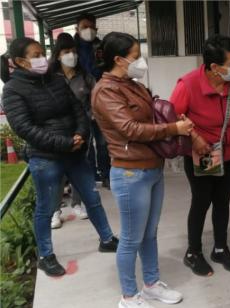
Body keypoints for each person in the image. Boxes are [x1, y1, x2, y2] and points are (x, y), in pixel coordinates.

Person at [1, 37, 118, 278]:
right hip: (46, 158)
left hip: (74, 152)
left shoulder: (56, 79)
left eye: (41, 53)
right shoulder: (12, 90)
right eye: (35, 55)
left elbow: (78, 109)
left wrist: (80, 134)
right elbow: (25, 128)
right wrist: (65, 143)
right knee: (46, 208)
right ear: (21, 62)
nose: (41, 58)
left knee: (92, 198)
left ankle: (107, 239)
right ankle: (46, 256)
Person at [92, 32, 193, 308]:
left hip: (152, 168)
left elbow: (150, 115)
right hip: (130, 174)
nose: (141, 61)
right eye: (136, 57)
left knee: (150, 233)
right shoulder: (106, 90)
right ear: (118, 59)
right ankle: (128, 296)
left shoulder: (132, 84)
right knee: (130, 239)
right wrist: (173, 129)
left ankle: (150, 284)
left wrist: (173, 119)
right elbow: (129, 129)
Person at [170, 34, 230, 277]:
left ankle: (220, 248)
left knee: (223, 201)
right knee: (202, 201)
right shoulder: (188, 84)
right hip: (204, 154)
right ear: (214, 67)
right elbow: (171, 117)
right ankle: (193, 252)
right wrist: (194, 138)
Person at [49, 32, 97, 226]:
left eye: (74, 51)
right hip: (58, 132)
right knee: (58, 171)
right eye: (67, 51)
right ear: (58, 54)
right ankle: (55, 210)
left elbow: (97, 98)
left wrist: (91, 118)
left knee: (80, 168)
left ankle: (77, 203)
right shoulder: (50, 77)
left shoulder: (84, 76)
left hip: (82, 130)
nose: (72, 56)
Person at [75, 12, 111, 189]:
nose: (88, 30)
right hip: (81, 103)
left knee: (103, 142)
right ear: (77, 28)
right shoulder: (71, 48)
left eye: (91, 27)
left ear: (96, 28)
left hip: (101, 101)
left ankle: (106, 175)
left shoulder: (101, 46)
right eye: (84, 27)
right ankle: (90, 177)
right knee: (86, 144)